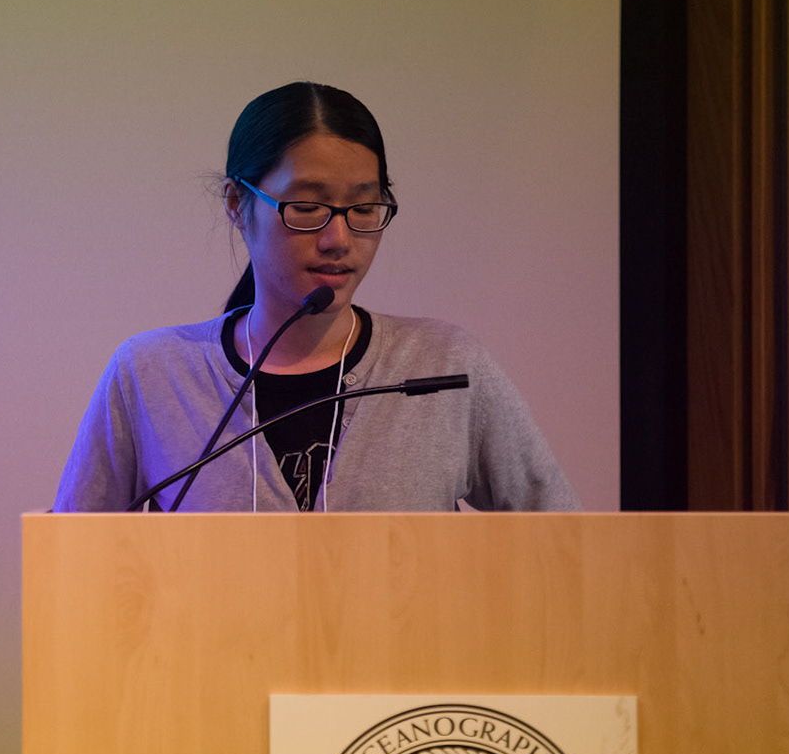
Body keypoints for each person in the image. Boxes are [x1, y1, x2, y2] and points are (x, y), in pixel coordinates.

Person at [54, 81, 579, 513]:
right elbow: (71, 566)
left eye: (364, 208)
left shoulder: (445, 368)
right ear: (237, 204)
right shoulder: (150, 375)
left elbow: (568, 547)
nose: (338, 239)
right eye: (308, 207)